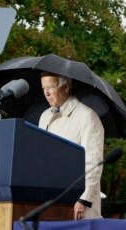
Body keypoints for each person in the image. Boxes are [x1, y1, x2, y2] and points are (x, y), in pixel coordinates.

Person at [38, 71, 105, 220]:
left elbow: (94, 162)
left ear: (66, 87)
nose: (46, 93)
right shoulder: (44, 117)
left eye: (50, 87)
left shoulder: (87, 117)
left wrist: (83, 199)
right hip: (51, 202)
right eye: (43, 88)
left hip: (78, 204)